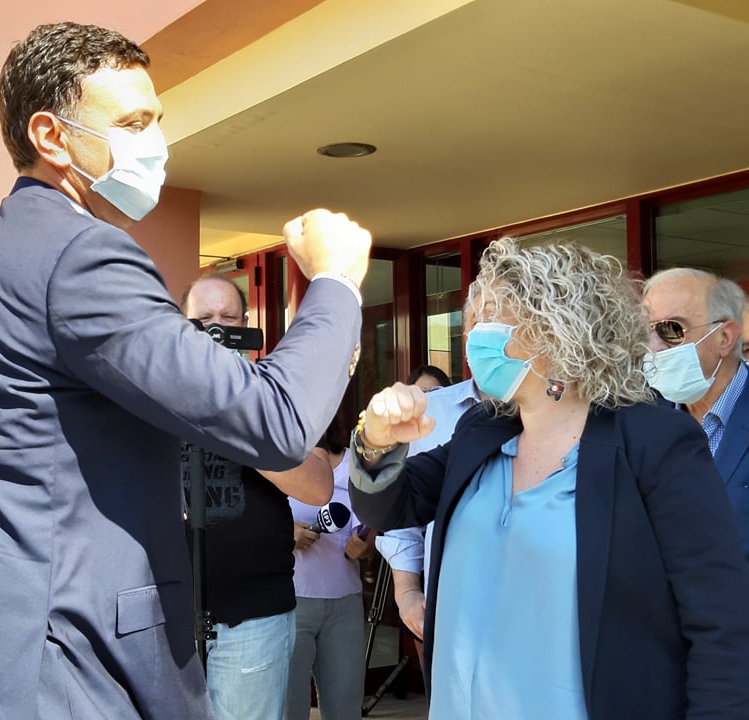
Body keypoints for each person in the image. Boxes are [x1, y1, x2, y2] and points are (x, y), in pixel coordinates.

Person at [0, 22, 371, 720]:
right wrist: (334, 282)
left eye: (156, 119)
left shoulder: (5, 245)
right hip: (54, 668)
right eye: (132, 123)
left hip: (2, 655)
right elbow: (274, 422)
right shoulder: (78, 254)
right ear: (51, 136)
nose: (157, 142)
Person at [349, 238, 749, 719]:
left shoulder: (655, 440)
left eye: (494, 318)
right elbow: (389, 507)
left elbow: (719, 621)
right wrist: (375, 440)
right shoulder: (481, 429)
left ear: (557, 330)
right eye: (474, 321)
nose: (474, 337)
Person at [180, 274, 334, 720]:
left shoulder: (273, 391)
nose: (217, 328)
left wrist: (238, 418)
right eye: (204, 318)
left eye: (228, 318)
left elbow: (318, 485)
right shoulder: (159, 393)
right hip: (169, 617)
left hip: (252, 618)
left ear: (246, 325)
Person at [374, 376, 478, 678]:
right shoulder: (433, 411)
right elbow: (399, 513)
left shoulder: (564, 414)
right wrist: (407, 591)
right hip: (449, 617)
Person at [644, 267, 749, 559]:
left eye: (671, 329)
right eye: (644, 330)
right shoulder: (640, 417)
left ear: (725, 337)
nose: (653, 346)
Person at [284, 415, 376, 720]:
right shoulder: (277, 462)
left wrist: (365, 543)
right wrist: (286, 532)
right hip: (289, 603)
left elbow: (367, 524)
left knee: (345, 709)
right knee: (288, 709)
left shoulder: (353, 463)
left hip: (345, 604)